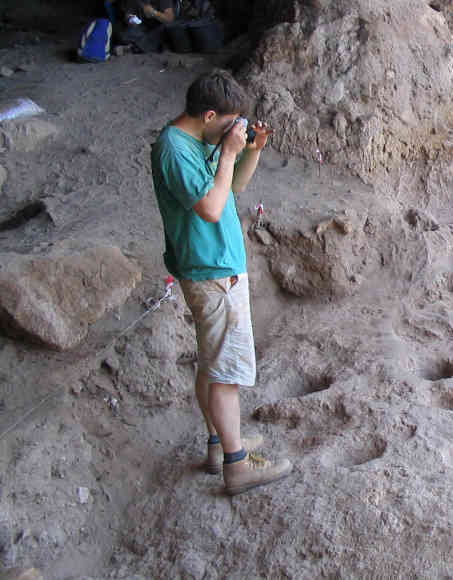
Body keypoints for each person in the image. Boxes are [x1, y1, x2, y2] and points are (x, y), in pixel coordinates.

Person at [150, 69, 292, 495]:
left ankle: (220, 443)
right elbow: (211, 209)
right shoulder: (174, 150)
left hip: (218, 267)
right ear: (209, 114)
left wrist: (251, 151)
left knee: (214, 365)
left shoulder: (199, 140)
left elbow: (232, 189)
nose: (233, 129)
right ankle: (237, 465)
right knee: (225, 373)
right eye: (229, 121)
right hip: (210, 273)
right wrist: (229, 152)